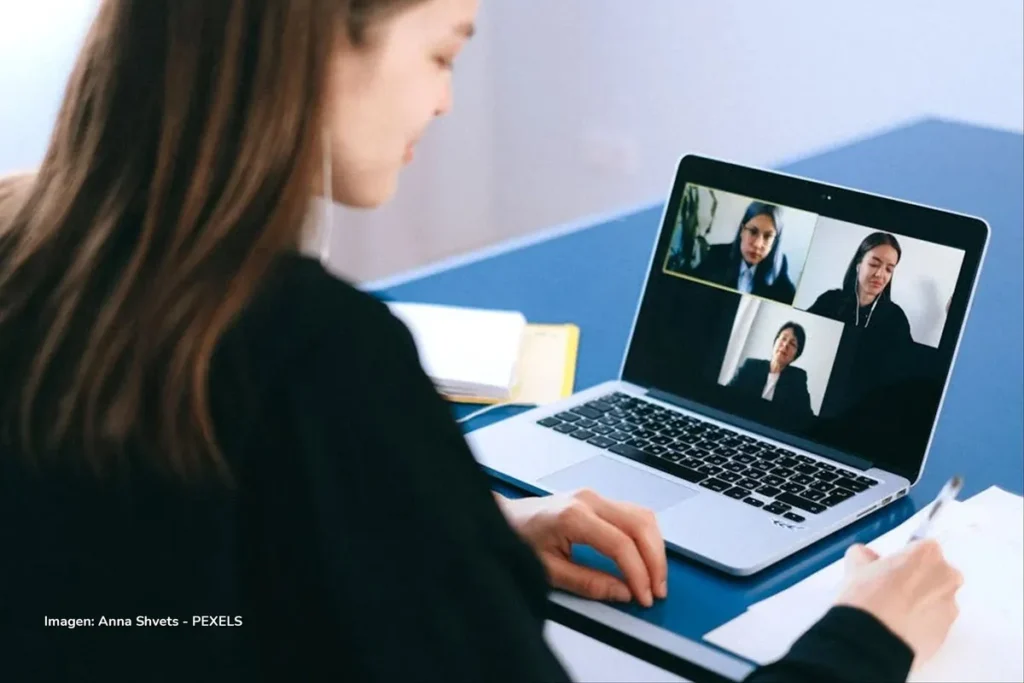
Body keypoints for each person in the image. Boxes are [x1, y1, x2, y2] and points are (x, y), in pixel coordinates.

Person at [0, 1, 961, 681]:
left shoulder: (27, 247)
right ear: (317, 44)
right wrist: (866, 635)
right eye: (441, 53)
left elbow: (169, 565)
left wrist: (456, 534)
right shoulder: (322, 357)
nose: (447, 101)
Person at [807, 232, 913, 344]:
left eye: (889, 269)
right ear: (858, 265)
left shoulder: (896, 318)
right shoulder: (829, 301)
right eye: (874, 264)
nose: (879, 274)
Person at [694, 201, 797, 304]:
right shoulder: (718, 254)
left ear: (775, 242)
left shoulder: (779, 266)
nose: (757, 244)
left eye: (767, 236)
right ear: (742, 230)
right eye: (753, 231)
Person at [728, 322, 813, 418]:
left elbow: (806, 417)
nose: (785, 345)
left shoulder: (797, 379)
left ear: (796, 355)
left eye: (792, 344)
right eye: (783, 338)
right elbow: (727, 395)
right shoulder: (751, 366)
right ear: (775, 342)